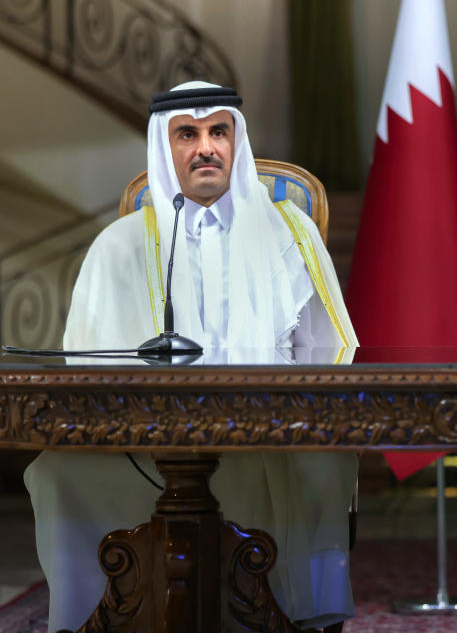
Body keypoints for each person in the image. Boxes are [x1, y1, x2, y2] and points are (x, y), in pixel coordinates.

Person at [24, 81, 359, 632]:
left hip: (270, 436)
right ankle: (100, 619)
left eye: (218, 132)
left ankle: (299, 618)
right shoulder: (119, 244)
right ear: (166, 147)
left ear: (235, 141)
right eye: (188, 134)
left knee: (325, 461)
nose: (206, 147)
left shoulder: (292, 235)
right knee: (59, 471)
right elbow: (88, 369)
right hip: (149, 446)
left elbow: (327, 355)